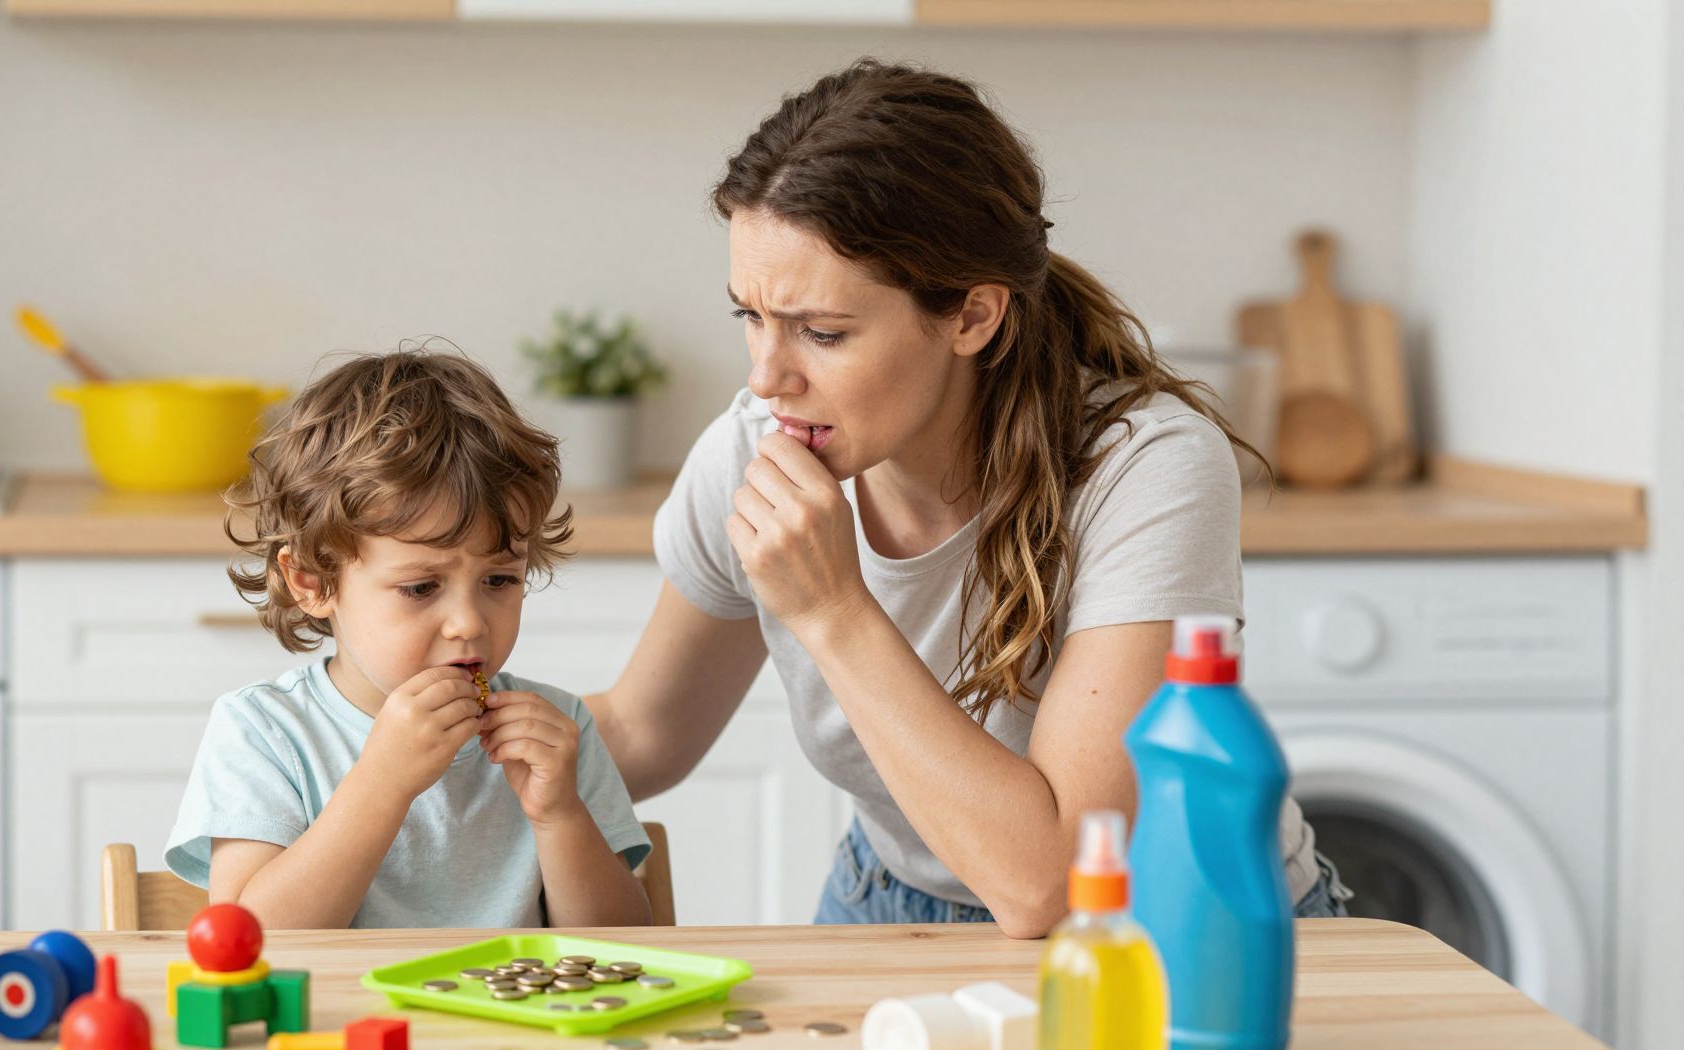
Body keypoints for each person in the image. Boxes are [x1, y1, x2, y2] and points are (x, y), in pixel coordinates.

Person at [584, 60, 1351, 937]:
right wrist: (421, 739)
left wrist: (832, 608)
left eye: (823, 333)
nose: (767, 376)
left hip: (1175, 930)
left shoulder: (1147, 468)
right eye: (750, 317)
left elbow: (1049, 883)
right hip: (891, 904)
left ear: (972, 317)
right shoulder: (749, 449)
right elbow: (645, 734)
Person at [166, 349, 652, 929]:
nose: (469, 622)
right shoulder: (264, 732)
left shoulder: (558, 729)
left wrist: (559, 814)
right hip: (334, 1021)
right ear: (312, 582)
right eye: (422, 587)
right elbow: (254, 945)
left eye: (499, 579)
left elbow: (622, 949)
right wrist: (382, 783)